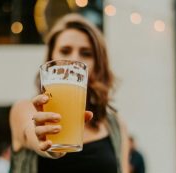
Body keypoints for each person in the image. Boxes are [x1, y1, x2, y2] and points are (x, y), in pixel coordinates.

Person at [9, 13, 129, 173]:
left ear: (98, 64)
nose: (74, 60)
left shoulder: (115, 125)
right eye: (65, 51)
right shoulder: (25, 110)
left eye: (86, 53)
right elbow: (31, 132)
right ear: (51, 58)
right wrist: (49, 145)